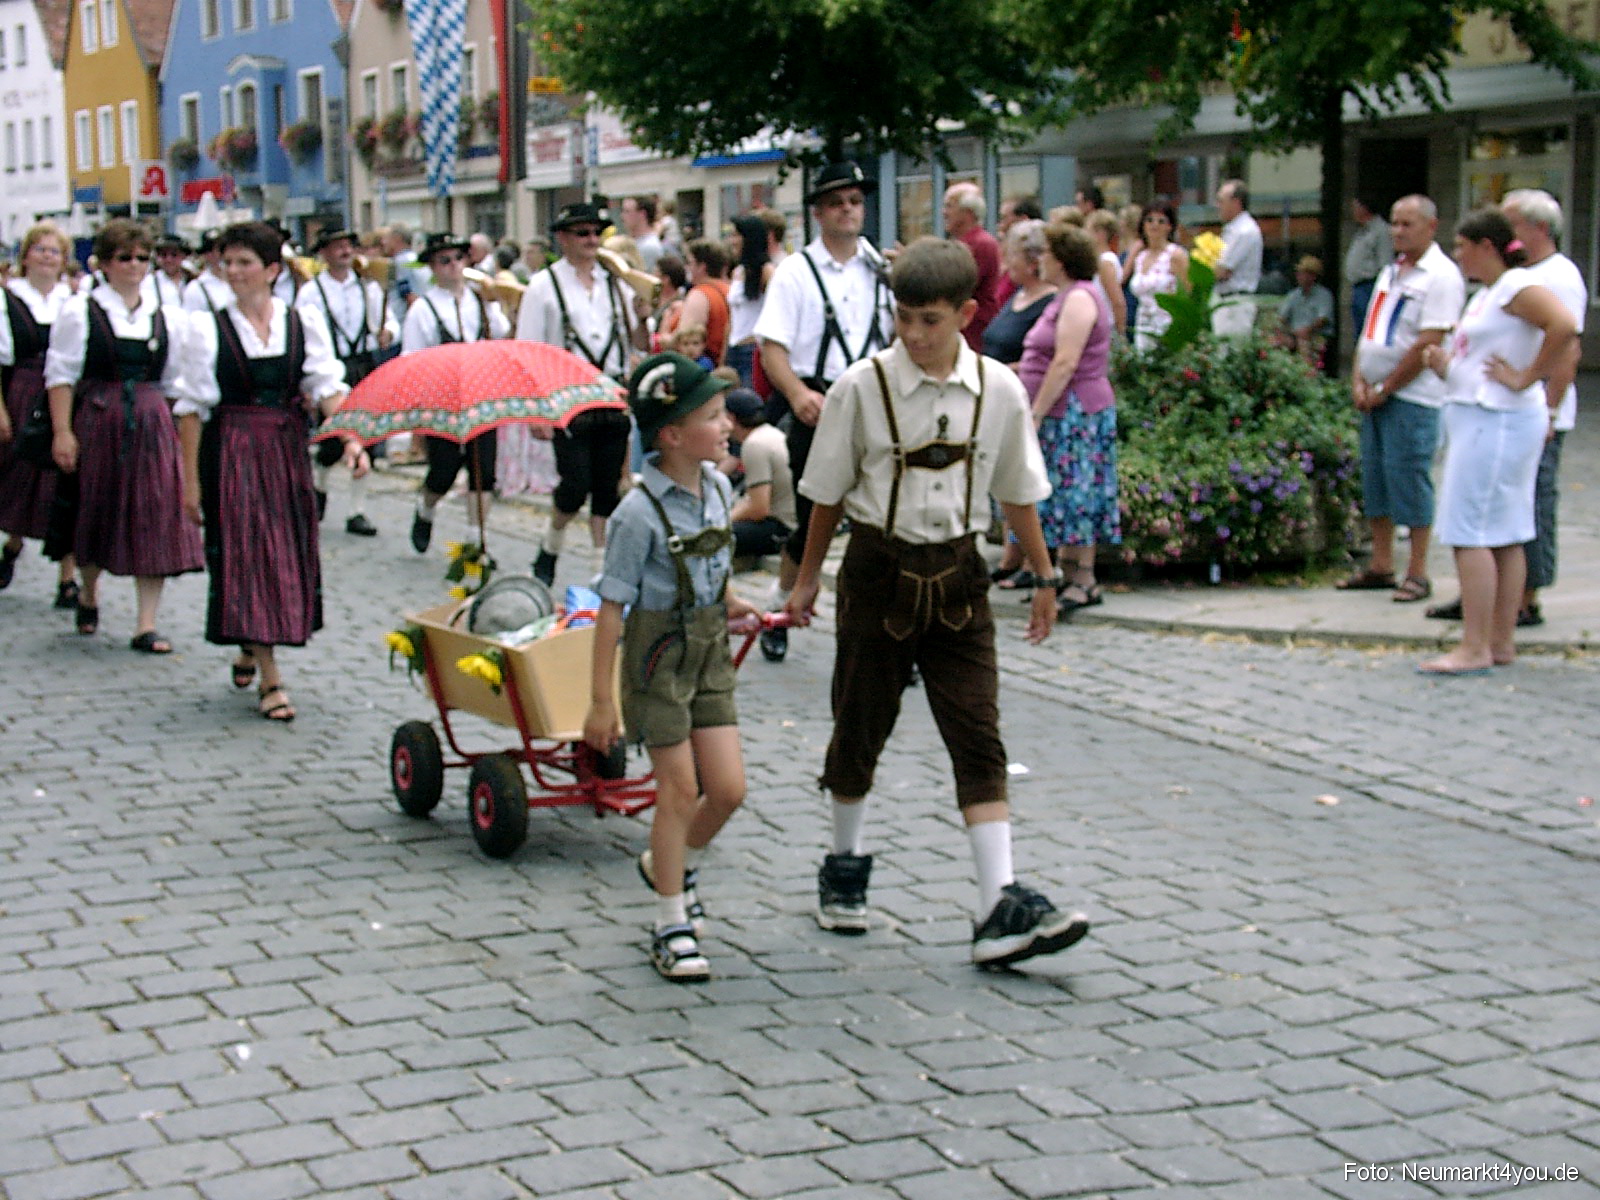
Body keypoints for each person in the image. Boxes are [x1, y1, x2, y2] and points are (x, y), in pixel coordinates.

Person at [784, 237, 1087, 969]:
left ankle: (995, 905)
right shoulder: (862, 386)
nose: (914, 335)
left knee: (978, 736)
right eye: (904, 318)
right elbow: (825, 495)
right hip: (877, 571)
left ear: (967, 314)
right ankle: (844, 868)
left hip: (959, 576)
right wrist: (803, 581)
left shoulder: (1000, 390)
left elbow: (1017, 491)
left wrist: (1044, 579)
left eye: (930, 320)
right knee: (860, 727)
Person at [583, 352, 761, 982]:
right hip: (657, 659)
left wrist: (731, 601)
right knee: (679, 790)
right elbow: (611, 610)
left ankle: (670, 863)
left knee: (730, 790)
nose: (726, 426)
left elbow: (711, 565)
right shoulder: (636, 514)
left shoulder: (716, 487)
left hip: (708, 651)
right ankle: (670, 920)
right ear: (672, 435)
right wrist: (602, 702)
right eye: (713, 417)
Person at [174, 221, 365, 721]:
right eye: (227, 262)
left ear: (272, 270)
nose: (233, 272)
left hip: (284, 451)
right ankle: (271, 677)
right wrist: (190, 482)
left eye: (244, 263)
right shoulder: (206, 327)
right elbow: (192, 409)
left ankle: (248, 643)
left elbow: (326, 385)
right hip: (232, 449)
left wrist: (349, 436)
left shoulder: (302, 323)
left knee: (282, 551)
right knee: (246, 553)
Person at [1415, 209, 1575, 675]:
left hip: (1496, 420)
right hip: (1482, 413)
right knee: (1505, 532)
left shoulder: (1514, 287)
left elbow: (1563, 325)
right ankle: (1499, 641)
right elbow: (1486, 353)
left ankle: (1474, 645)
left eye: (1463, 246)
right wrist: (1448, 367)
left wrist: (1527, 378)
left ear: (1487, 246)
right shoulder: (1489, 294)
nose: (1458, 255)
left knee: (1470, 531)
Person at [754, 160, 895, 661]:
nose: (848, 211)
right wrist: (796, 395)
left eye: (855, 202)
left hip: (874, 405)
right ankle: (783, 603)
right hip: (820, 403)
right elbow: (772, 347)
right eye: (837, 203)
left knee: (883, 521)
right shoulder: (795, 271)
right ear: (818, 213)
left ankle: (885, 630)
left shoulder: (881, 268)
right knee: (814, 520)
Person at [44, 218, 203, 652]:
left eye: (141, 258)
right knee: (96, 506)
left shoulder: (166, 316)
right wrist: (62, 431)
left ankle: (145, 623)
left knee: (155, 514)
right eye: (124, 258)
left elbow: (175, 383)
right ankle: (90, 592)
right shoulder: (81, 311)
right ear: (105, 264)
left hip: (151, 422)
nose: (134, 266)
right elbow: (61, 375)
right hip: (99, 418)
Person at [1343, 194, 1466, 604]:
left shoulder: (1441, 276)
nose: (1397, 231)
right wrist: (1359, 378)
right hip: (1374, 394)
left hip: (1413, 397)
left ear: (1431, 227)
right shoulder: (1391, 272)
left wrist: (1387, 388)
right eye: (1394, 223)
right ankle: (1381, 564)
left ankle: (1417, 570)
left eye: (1407, 224)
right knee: (1376, 479)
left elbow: (1427, 343)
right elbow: (1371, 331)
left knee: (1409, 477)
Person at [519, 202, 643, 584]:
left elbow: (637, 341)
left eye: (595, 233)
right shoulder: (543, 285)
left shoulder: (617, 282)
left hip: (610, 393)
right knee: (575, 484)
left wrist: (643, 309)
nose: (591, 240)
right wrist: (536, 409)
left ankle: (599, 566)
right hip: (566, 396)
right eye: (582, 233)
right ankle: (551, 543)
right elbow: (529, 349)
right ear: (563, 238)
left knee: (607, 486)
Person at [1015, 222, 1120, 616]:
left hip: (1075, 411)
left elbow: (1065, 361)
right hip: (1066, 409)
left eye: (1044, 254)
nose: (1038, 260)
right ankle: (1064, 575)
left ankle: (1084, 579)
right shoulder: (1066, 296)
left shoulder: (1079, 297)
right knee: (1062, 493)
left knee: (1078, 491)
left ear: (1061, 259)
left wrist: (1037, 412)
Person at [404, 232, 512, 553]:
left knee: (484, 472)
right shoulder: (423, 309)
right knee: (444, 470)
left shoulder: (481, 301)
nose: (453, 266)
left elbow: (502, 337)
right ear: (433, 267)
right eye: (444, 261)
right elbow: (412, 360)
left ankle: (474, 538)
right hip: (442, 398)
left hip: (480, 395)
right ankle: (426, 508)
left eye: (458, 259)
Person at [295, 228, 399, 537]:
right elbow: (302, 335)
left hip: (363, 364)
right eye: (336, 246)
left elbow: (390, 321)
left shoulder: (369, 289)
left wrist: (387, 333)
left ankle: (357, 510)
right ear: (324, 253)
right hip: (330, 369)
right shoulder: (311, 293)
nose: (344, 251)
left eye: (347, 246)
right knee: (331, 440)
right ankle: (320, 484)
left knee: (361, 434)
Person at [0, 222, 77, 606]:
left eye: (54, 252)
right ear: (25, 255)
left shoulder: (73, 301)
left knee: (63, 482)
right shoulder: (8, 300)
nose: (47, 258)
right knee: (19, 477)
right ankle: (13, 542)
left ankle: (67, 578)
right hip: (23, 389)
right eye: (40, 250)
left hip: (64, 393)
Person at [723, 387, 795, 558]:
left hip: (783, 529)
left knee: (715, 537)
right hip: (792, 521)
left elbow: (758, 508)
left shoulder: (754, 445)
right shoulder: (770, 433)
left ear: (731, 418)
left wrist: (723, 521)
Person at [981, 219, 1056, 367]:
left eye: (1012, 255)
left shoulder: (1051, 303)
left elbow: (1047, 361)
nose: (1006, 263)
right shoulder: (1019, 294)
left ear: (1032, 263)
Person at [942, 181, 1001, 350]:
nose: (944, 212)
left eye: (949, 206)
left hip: (974, 335)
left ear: (967, 213)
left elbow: (954, 284)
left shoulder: (980, 244)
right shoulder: (964, 243)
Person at [1123, 203, 1188, 351]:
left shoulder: (1175, 255)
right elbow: (1122, 279)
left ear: (1169, 226)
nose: (1154, 225)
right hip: (1142, 323)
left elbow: (1187, 292)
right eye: (1150, 220)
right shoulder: (1141, 256)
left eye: (1161, 221)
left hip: (1166, 323)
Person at [725, 213, 778, 388]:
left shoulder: (766, 271)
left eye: (736, 236)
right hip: (734, 348)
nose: (732, 241)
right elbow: (732, 317)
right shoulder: (738, 272)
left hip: (752, 348)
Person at [1211, 179, 1262, 338]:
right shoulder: (1233, 229)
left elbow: (1223, 270)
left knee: (1231, 354)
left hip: (1236, 304)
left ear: (1236, 202)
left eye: (1221, 200)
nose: (1218, 205)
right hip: (1225, 302)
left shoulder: (1244, 231)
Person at [679, 239, 731, 367]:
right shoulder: (730, 291)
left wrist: (664, 339)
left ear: (702, 267)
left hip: (704, 367)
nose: (687, 268)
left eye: (690, 263)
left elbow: (685, 336)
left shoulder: (700, 295)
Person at [1275, 255, 1335, 366]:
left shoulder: (1324, 295)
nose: (1300, 276)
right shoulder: (1293, 295)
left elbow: (1323, 320)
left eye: (1304, 273)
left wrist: (1306, 330)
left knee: (1304, 341)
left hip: (1316, 334)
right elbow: (1281, 318)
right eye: (1299, 273)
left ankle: (1307, 375)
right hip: (1294, 333)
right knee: (1275, 341)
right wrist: (1280, 330)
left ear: (1313, 276)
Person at [1345, 196, 1390, 341]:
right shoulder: (1363, 231)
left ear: (1364, 208)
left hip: (1370, 286)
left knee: (1369, 330)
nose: (1353, 212)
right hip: (1358, 287)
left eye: (1355, 207)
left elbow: (1385, 262)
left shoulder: (1380, 230)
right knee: (1359, 331)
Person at [1084, 210, 1129, 338]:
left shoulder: (1105, 262)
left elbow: (1117, 301)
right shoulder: (1099, 260)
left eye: (1089, 230)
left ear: (1101, 234)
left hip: (1107, 328)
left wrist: (1121, 332)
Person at [183, 230, 234, 314]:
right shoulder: (196, 288)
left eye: (221, 249)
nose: (216, 254)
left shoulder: (240, 280)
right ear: (204, 254)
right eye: (210, 250)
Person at [148, 234, 193, 309]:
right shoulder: (150, 282)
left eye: (174, 255)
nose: (168, 260)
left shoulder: (193, 280)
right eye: (163, 255)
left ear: (184, 256)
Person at [620, 195, 664, 272]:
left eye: (627, 211)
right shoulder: (629, 242)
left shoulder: (650, 247)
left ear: (642, 214)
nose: (622, 216)